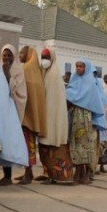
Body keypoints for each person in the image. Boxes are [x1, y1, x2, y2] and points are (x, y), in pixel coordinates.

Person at [65, 59, 106, 185]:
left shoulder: (91, 84)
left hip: (85, 118)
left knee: (84, 145)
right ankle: (79, 174)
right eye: (77, 66)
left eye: (81, 66)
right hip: (74, 116)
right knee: (75, 144)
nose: (78, 68)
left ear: (86, 68)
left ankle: (83, 174)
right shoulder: (74, 81)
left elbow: (95, 103)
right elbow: (68, 96)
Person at [37, 48, 73, 183]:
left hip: (53, 120)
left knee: (53, 149)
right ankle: (49, 174)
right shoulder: (44, 73)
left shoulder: (54, 75)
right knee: (45, 148)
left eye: (46, 57)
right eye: (42, 57)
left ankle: (58, 177)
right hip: (45, 119)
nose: (44, 60)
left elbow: (53, 102)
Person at [0, 44, 28, 185]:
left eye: (10, 55)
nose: (7, 58)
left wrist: (8, 73)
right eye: (5, 55)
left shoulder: (18, 70)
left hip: (12, 111)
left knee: (8, 142)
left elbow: (18, 91)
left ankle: (8, 176)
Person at [17, 45, 47, 184]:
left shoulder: (25, 70)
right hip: (32, 115)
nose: (20, 55)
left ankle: (28, 173)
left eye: (22, 53)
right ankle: (27, 171)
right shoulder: (38, 71)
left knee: (26, 145)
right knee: (30, 145)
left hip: (25, 115)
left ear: (28, 55)